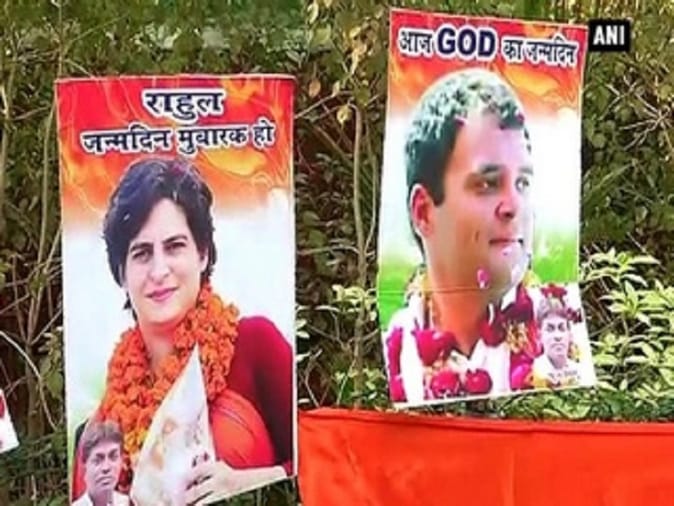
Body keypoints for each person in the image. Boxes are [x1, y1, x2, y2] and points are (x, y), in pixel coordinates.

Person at [70, 157, 294, 504]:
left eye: (174, 246)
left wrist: (253, 482)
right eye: (142, 253)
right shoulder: (101, 426)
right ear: (121, 272)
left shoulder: (255, 346)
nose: (159, 270)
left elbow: (324, 465)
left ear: (202, 253)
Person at [383, 68, 537, 404]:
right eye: (488, 183)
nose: (514, 206)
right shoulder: (385, 351)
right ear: (423, 212)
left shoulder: (558, 345)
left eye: (523, 183)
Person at [532, 285, 584, 388]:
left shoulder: (581, 372)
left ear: (569, 334)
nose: (557, 336)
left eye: (562, 328)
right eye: (550, 329)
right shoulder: (533, 372)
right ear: (539, 334)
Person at [72, 421, 129, 506]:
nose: (106, 467)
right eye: (97, 460)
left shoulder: (128, 503)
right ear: (84, 464)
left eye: (113, 457)